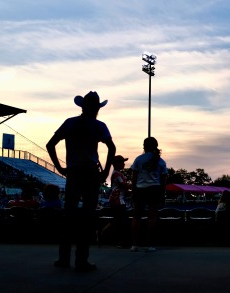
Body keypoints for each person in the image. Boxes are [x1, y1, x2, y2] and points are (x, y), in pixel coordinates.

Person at [46, 90, 116, 272]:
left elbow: (50, 144)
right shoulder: (99, 126)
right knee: (87, 217)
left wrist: (60, 168)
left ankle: (64, 258)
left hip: (74, 172)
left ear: (82, 106)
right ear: (97, 108)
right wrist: (106, 172)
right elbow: (111, 148)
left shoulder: (70, 123)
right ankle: (81, 260)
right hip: (91, 173)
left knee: (69, 216)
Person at [130, 137, 167, 252]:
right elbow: (163, 181)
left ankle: (134, 244)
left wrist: (133, 191)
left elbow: (134, 178)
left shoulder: (138, 159)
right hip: (154, 189)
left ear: (144, 146)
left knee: (136, 217)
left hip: (140, 189)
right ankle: (149, 245)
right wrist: (162, 194)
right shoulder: (161, 161)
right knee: (152, 218)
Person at [98, 155, 131, 247]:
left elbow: (122, 187)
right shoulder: (117, 174)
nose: (124, 164)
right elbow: (124, 185)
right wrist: (136, 184)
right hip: (118, 200)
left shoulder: (116, 173)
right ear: (117, 164)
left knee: (117, 220)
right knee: (122, 221)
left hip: (117, 199)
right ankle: (120, 241)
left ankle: (102, 233)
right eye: (122, 162)